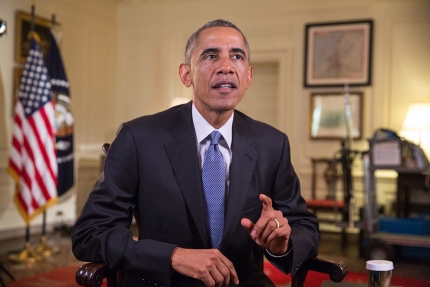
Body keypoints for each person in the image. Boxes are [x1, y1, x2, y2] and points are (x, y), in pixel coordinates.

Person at [72, 19, 319, 287]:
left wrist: (281, 245)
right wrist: (173, 257)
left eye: (237, 56)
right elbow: (90, 233)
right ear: (186, 74)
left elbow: (304, 227)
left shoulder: (272, 143)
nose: (226, 67)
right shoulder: (138, 138)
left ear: (248, 76)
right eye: (211, 55)